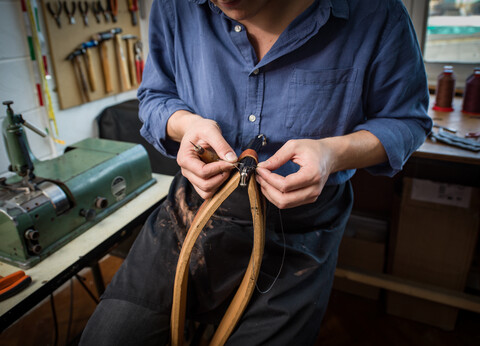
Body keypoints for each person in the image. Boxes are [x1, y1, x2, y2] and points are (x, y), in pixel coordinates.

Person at [80, 0, 432, 344]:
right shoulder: (176, 6)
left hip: (300, 231)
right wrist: (186, 125)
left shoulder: (376, 12)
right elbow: (155, 96)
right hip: (193, 210)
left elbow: (407, 120)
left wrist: (332, 155)